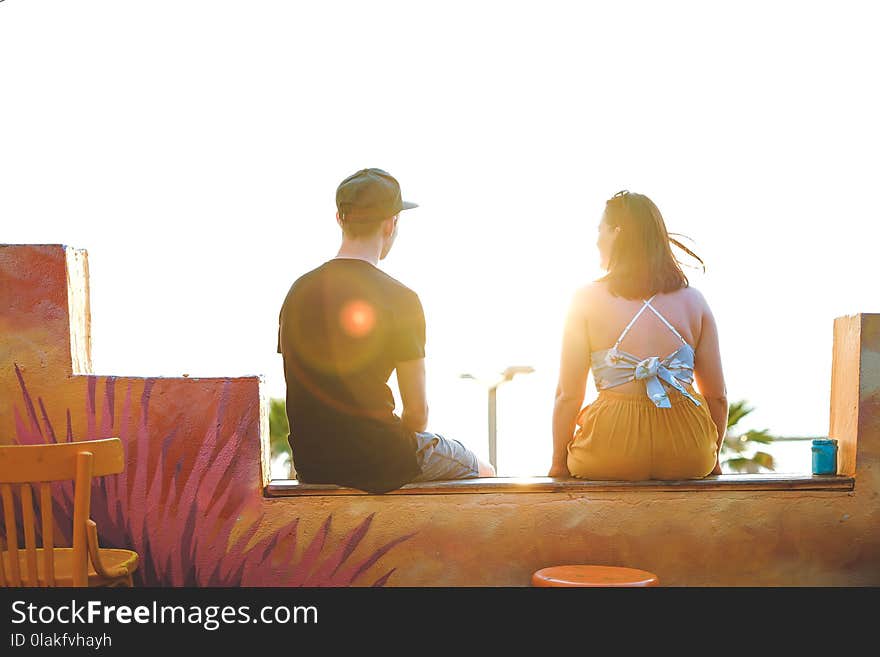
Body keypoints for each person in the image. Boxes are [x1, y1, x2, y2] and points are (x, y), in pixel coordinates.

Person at [277, 168, 494, 493]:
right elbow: (417, 412)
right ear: (391, 223)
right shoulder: (401, 299)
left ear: (340, 218)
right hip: (381, 458)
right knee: (486, 472)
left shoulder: (297, 293)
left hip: (313, 464)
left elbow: (299, 388)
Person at [550, 190, 728, 480]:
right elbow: (717, 396)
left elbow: (568, 396)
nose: (597, 239)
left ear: (616, 233)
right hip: (687, 452)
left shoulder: (584, 300)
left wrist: (558, 464)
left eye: (600, 230)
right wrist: (713, 457)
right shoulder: (695, 302)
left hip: (610, 449)